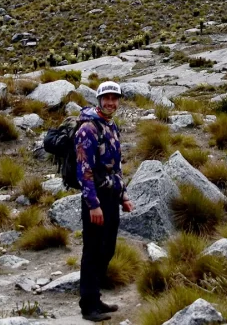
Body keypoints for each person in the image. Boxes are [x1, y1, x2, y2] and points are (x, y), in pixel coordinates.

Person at [75, 81, 134, 322]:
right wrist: (93, 204)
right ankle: (88, 306)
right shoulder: (88, 128)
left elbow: (117, 165)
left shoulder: (111, 126)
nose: (111, 102)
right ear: (99, 100)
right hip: (96, 198)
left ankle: (95, 297)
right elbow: (84, 170)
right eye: (106, 98)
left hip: (111, 196)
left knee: (107, 248)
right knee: (93, 250)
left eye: (115, 98)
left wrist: (123, 195)